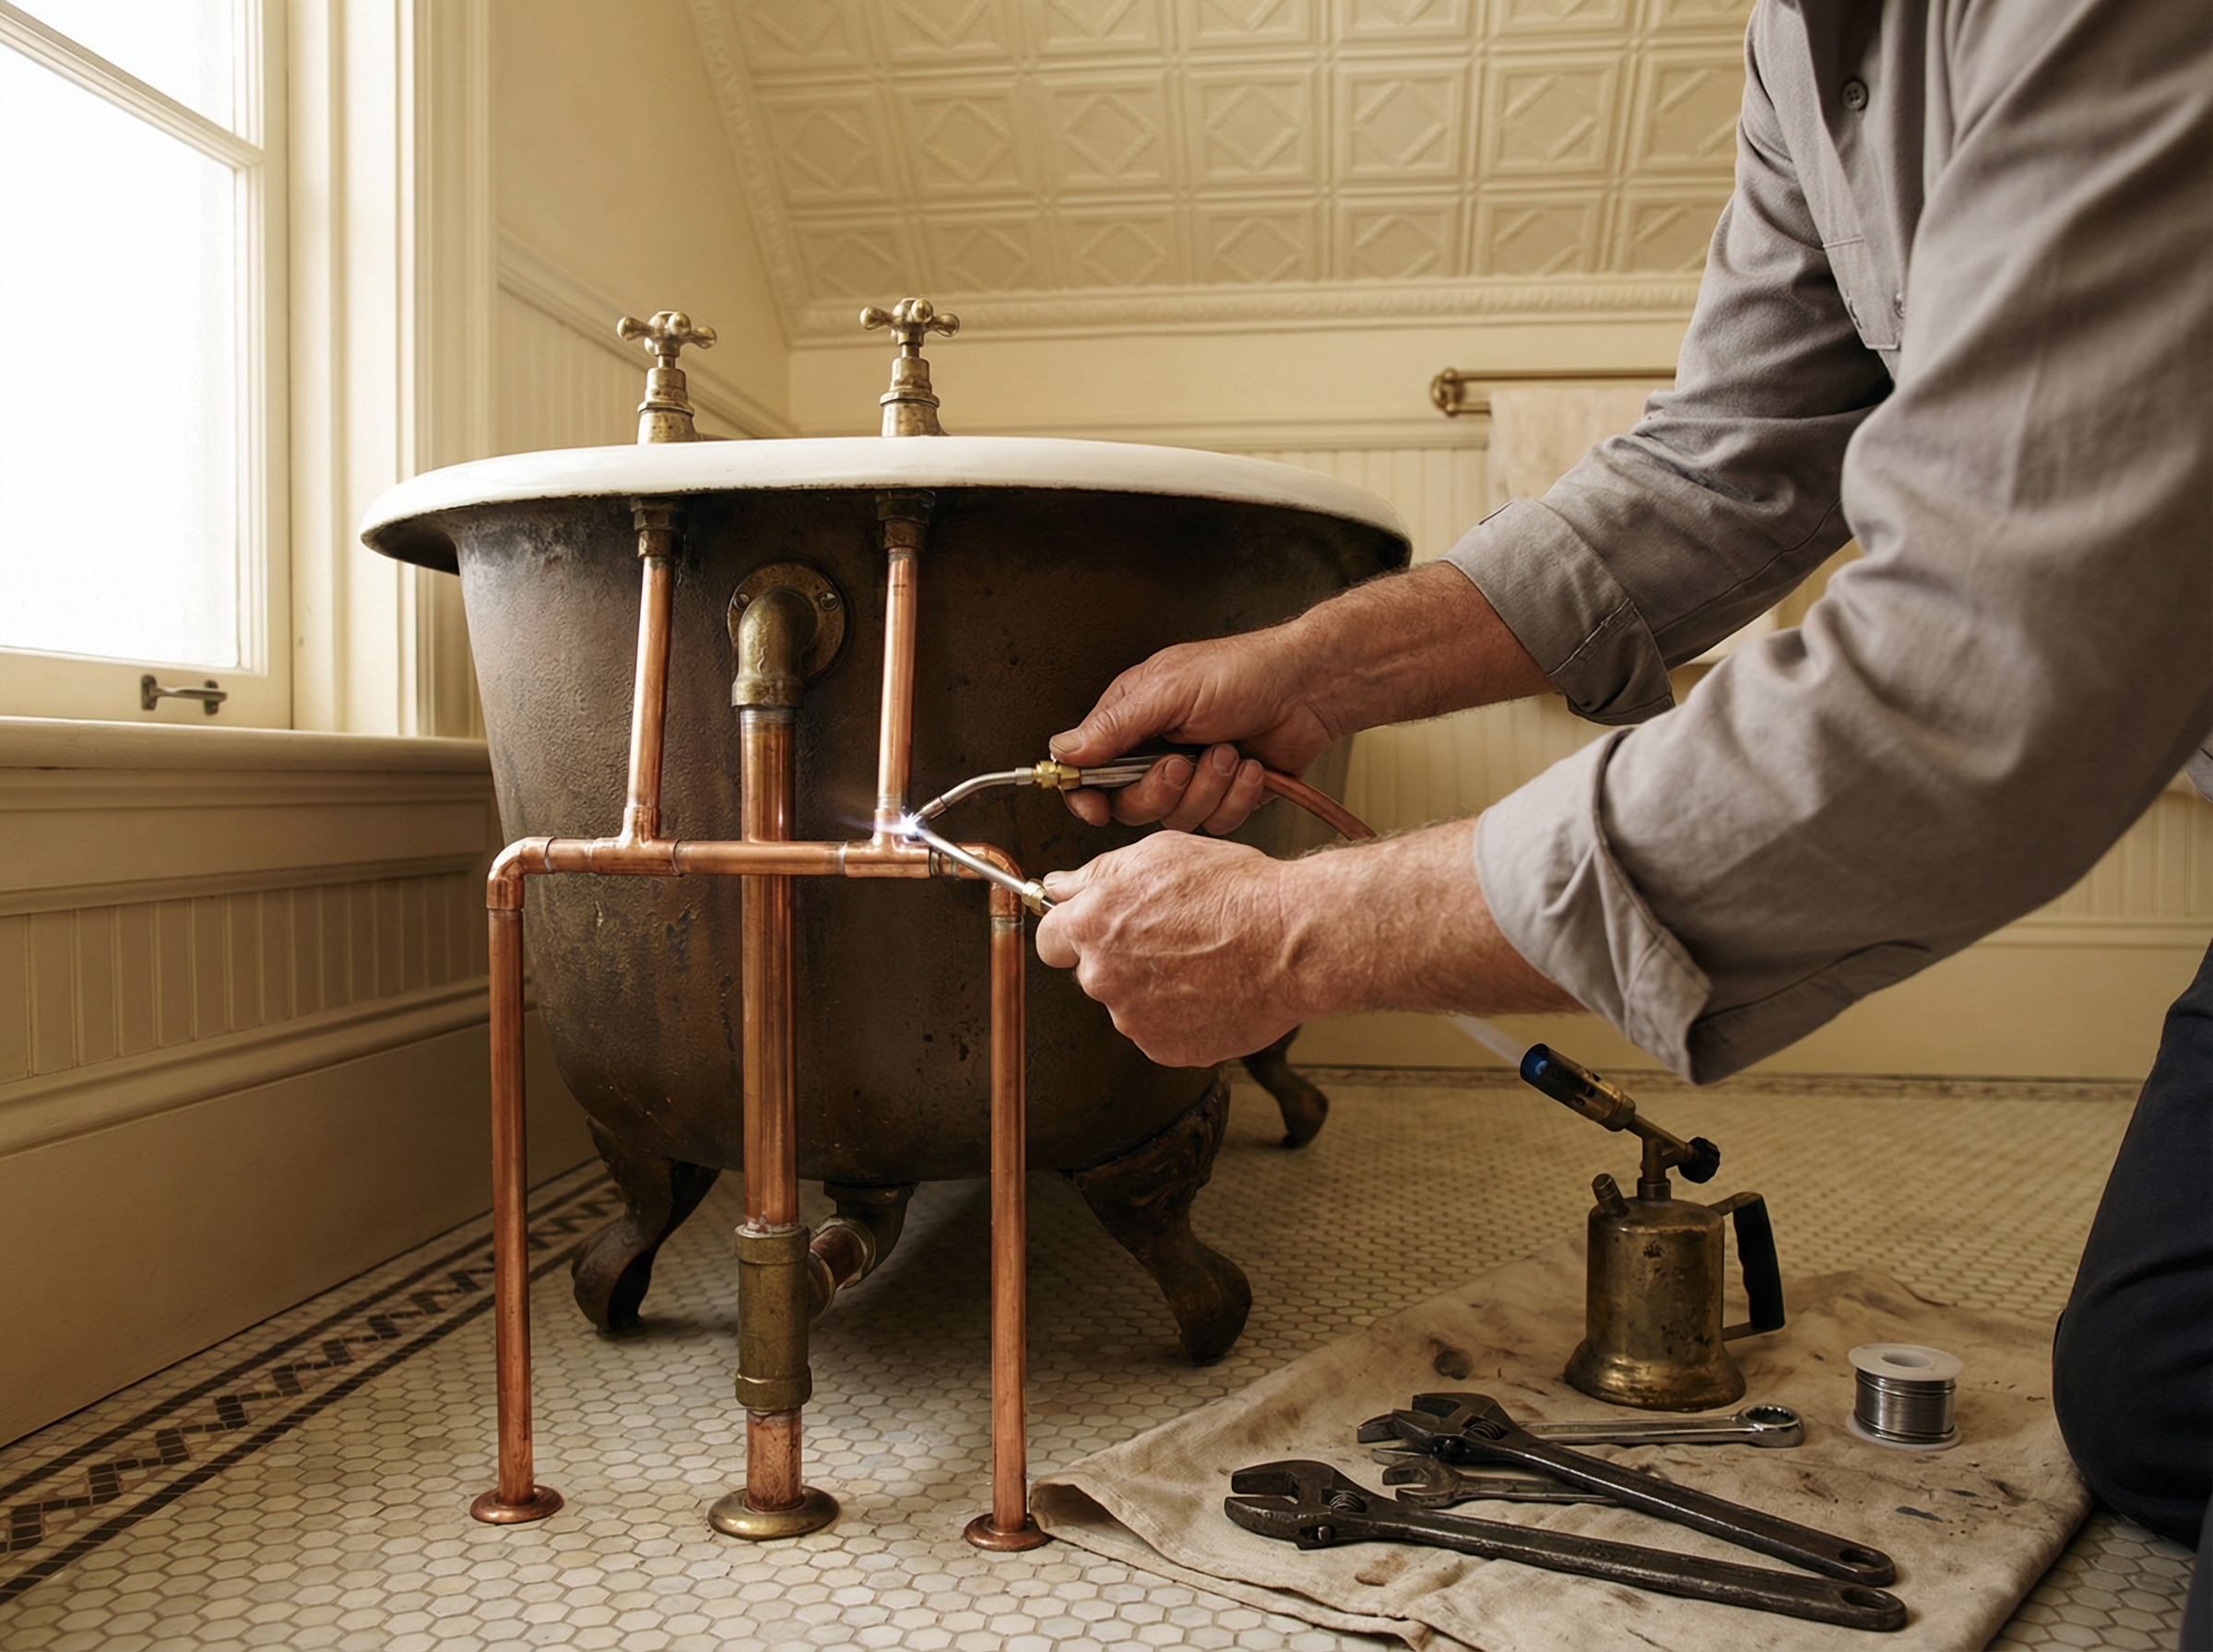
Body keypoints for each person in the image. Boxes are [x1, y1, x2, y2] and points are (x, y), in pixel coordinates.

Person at [1029, 0, 2210, 1641]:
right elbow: (1728, 460)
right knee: (2154, 1412)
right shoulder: (1813, 41)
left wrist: (1306, 931)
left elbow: (1973, 676)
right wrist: (1315, 668)